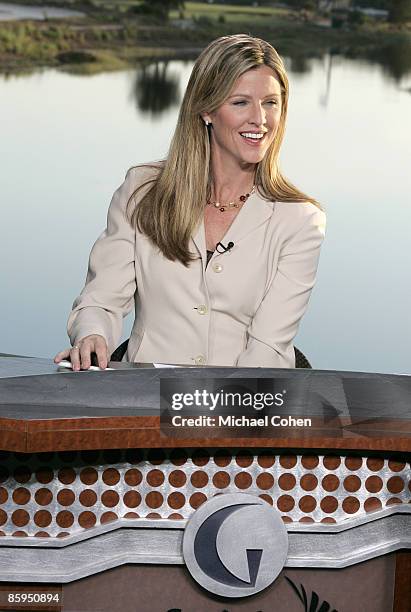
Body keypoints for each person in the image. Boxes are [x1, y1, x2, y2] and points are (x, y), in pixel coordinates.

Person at [54, 34, 325, 372]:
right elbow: (101, 300)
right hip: (143, 403)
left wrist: (218, 414)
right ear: (207, 109)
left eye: (271, 102)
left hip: (248, 405)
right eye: (240, 102)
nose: (260, 119)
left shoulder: (300, 220)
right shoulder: (142, 191)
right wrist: (91, 336)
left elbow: (267, 349)